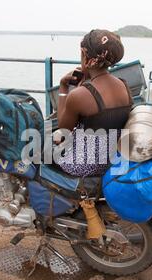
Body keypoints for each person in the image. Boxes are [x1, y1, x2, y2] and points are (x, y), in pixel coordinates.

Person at [55, 29, 133, 177]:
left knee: (41, 152)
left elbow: (63, 131)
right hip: (109, 164)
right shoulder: (124, 86)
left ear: (85, 56)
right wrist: (84, 87)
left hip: (80, 168)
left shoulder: (79, 95)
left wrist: (63, 86)